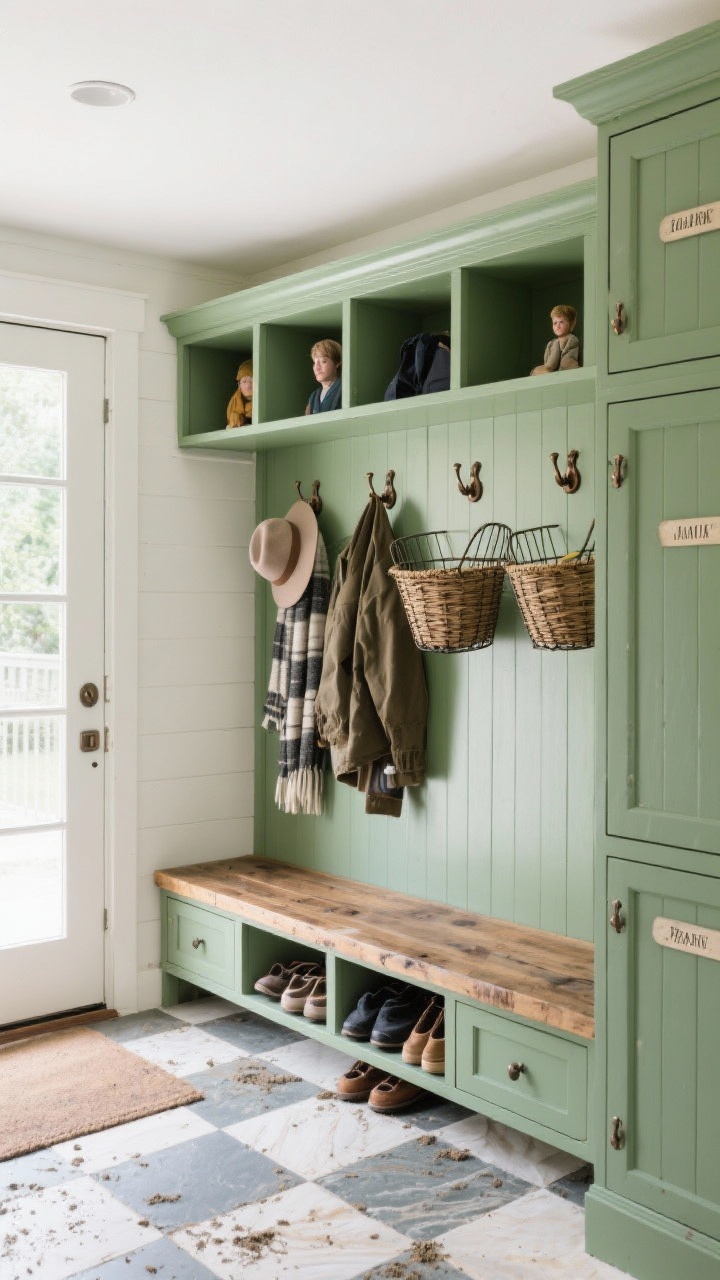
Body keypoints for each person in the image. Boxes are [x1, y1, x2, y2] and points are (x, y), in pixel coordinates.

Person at [531, 305, 580, 375]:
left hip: (564, 368)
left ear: (570, 324)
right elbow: (549, 364)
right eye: (555, 323)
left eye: (561, 322)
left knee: (567, 363)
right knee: (535, 371)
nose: (557, 326)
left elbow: (567, 359)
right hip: (551, 370)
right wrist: (556, 344)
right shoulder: (551, 343)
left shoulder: (572, 339)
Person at [305, 339, 342, 414]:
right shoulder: (314, 396)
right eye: (314, 363)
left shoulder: (343, 388)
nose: (317, 367)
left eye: (323, 361)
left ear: (337, 363)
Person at [226, 359, 253, 428]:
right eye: (244, 381)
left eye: (251, 381)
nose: (247, 386)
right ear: (239, 384)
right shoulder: (234, 402)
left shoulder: (263, 402)